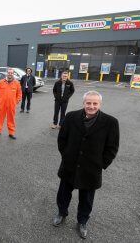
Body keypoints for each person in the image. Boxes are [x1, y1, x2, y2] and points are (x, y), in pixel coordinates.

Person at [52, 91, 119, 239]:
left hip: (91, 169)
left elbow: (112, 147)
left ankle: (82, 221)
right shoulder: (70, 117)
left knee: (87, 198)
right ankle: (61, 212)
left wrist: (101, 164)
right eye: (88, 103)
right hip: (69, 165)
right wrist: (67, 156)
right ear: (84, 103)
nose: (91, 106)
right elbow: (62, 139)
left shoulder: (111, 122)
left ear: (100, 104)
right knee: (63, 193)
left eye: (95, 103)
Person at [0, 68, 22, 139]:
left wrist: (16, 102)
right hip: (2, 104)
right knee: (0, 118)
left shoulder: (17, 83)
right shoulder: (1, 82)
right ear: (7, 73)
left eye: (11, 73)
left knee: (11, 119)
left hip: (12, 104)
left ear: (13, 74)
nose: (10, 74)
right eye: (9, 73)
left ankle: (11, 133)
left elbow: (19, 94)